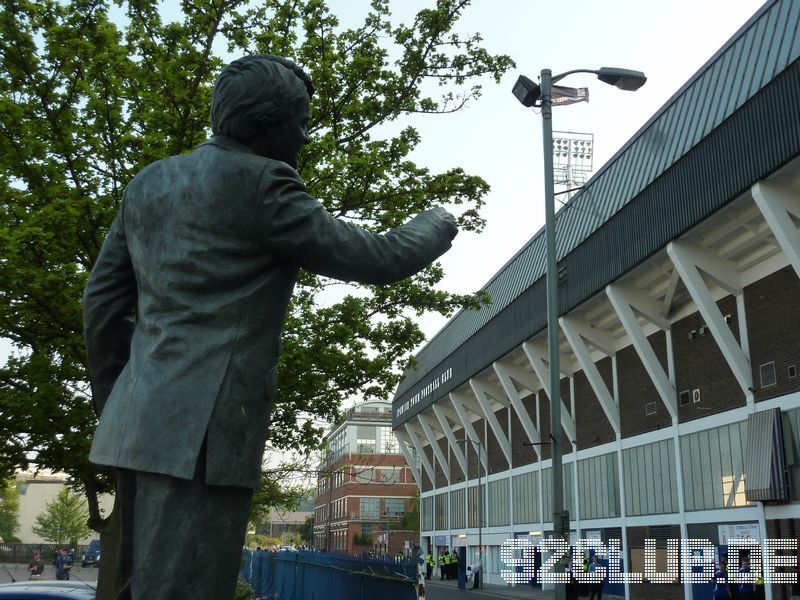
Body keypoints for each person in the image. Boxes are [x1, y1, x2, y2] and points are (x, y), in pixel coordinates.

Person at [83, 54, 458, 600]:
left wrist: (121, 401)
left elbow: (101, 302)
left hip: (135, 428)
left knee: (138, 587)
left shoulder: (149, 183)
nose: (305, 137)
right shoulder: (263, 184)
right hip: (207, 436)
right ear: (267, 122)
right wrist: (437, 222)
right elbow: (376, 257)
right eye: (301, 121)